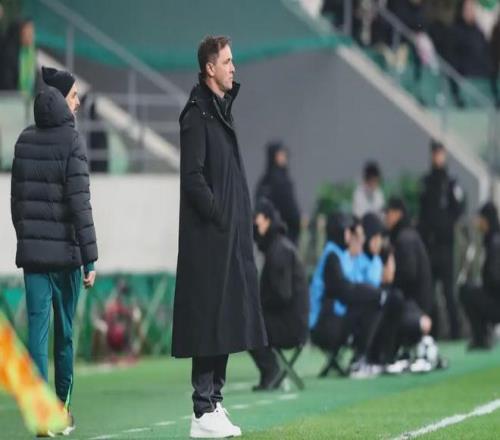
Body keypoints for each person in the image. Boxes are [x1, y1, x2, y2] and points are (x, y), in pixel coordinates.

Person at [171, 35, 267, 439]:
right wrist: (220, 213)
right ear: (209, 68)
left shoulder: (220, 111)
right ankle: (201, 408)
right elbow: (192, 178)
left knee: (225, 319)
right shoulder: (197, 114)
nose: (233, 68)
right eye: (227, 62)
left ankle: (214, 401)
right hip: (209, 238)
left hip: (227, 237)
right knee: (209, 321)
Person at [11, 66, 98, 436]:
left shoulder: (23, 141)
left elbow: (16, 204)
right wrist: (90, 258)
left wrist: (28, 239)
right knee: (65, 335)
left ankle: (40, 415)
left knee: (37, 335)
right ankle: (60, 410)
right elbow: (80, 205)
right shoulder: (72, 141)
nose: (77, 103)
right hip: (66, 257)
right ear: (62, 100)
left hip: (33, 257)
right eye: (74, 96)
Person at [309, 213, 385, 370]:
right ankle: (360, 358)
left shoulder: (340, 254)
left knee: (376, 301)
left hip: (334, 318)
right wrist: (376, 294)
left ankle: (365, 357)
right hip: (324, 323)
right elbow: (345, 290)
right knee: (374, 302)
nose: (351, 236)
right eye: (349, 231)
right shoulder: (332, 256)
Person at [250, 198, 309, 391]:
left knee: (247, 324)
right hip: (291, 321)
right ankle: (270, 372)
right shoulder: (278, 247)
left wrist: (258, 306)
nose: (254, 224)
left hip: (290, 326)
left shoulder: (278, 251)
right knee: (250, 319)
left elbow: (282, 295)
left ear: (267, 220)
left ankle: (271, 371)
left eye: (257, 219)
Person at [419, 140, 465, 339]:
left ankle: (455, 332)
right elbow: (423, 212)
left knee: (448, 291)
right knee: (429, 291)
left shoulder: (451, 182)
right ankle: (433, 331)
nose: (437, 157)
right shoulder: (426, 182)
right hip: (430, 245)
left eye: (440, 153)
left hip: (446, 246)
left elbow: (459, 208)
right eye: (435, 153)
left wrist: (446, 224)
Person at [385, 197, 437, 372]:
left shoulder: (404, 238)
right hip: (420, 304)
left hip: (415, 305)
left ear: (397, 214)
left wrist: (390, 280)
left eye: (388, 213)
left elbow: (409, 274)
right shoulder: (408, 235)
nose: (386, 218)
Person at [460, 202, 500, 350]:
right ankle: (482, 336)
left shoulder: (494, 243)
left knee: (466, 291)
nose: (477, 222)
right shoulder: (491, 240)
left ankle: (481, 337)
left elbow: (495, 277)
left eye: (480, 218)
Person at [255, 141, 301, 244]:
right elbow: (291, 209)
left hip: (267, 238)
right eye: (281, 154)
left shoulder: (264, 181)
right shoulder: (280, 181)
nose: (284, 157)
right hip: (283, 234)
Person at [0, 18, 36, 97]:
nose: (31, 35)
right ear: (19, 33)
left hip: (27, 100)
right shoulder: (8, 55)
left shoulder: (30, 53)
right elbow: (7, 85)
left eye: (32, 31)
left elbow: (36, 80)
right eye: (28, 32)